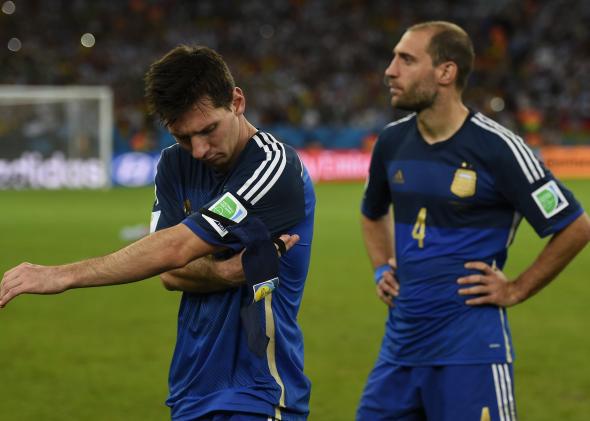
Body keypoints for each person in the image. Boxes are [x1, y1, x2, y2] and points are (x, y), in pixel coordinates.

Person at [0, 45, 316, 421]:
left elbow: (175, 249)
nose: (198, 150)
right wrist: (220, 272)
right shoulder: (173, 164)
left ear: (236, 101)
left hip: (259, 389)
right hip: (189, 387)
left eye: (208, 130)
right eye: (183, 137)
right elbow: (169, 272)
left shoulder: (273, 165)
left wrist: (63, 274)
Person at [357, 21, 590, 421]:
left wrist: (516, 288)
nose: (390, 70)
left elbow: (576, 225)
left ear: (445, 72)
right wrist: (382, 266)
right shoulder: (392, 143)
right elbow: (371, 211)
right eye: (394, 57)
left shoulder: (499, 149)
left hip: (471, 353)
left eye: (406, 59)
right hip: (400, 348)